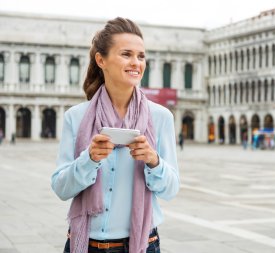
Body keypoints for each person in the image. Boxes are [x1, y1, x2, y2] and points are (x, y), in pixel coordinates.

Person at [51, 17, 180, 253]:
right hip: (84, 244)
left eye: (141, 56)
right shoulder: (76, 117)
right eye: (126, 54)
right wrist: (88, 160)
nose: (136, 63)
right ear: (101, 60)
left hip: (141, 245)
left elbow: (171, 189)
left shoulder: (160, 117)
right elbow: (61, 188)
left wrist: (153, 161)